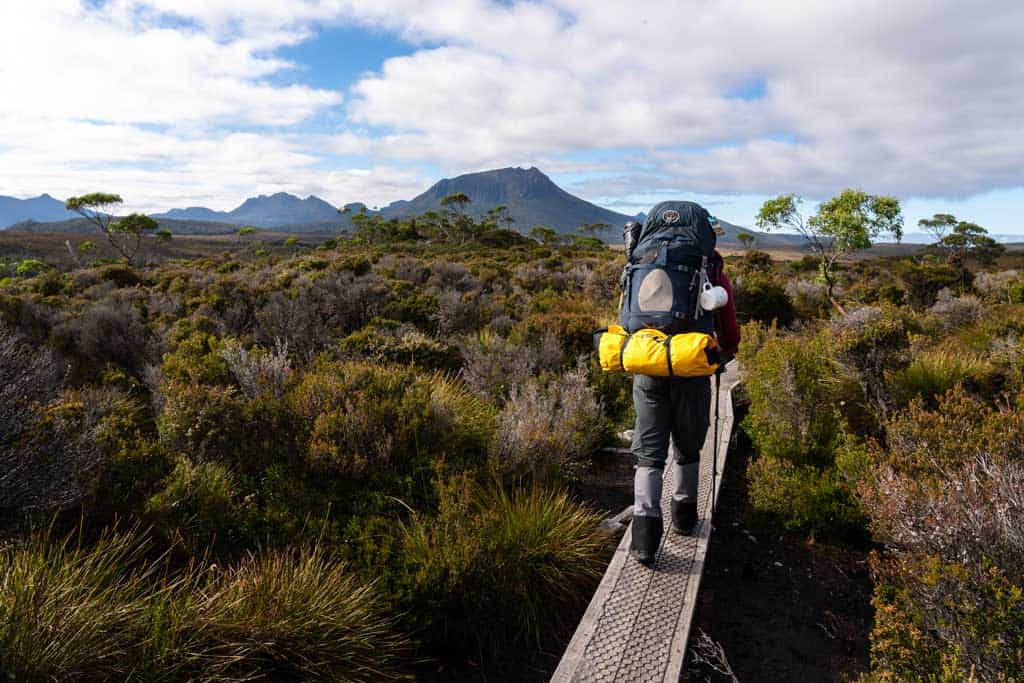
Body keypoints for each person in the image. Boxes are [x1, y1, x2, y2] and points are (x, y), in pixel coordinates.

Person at [627, 208, 740, 565]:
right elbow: (730, 330)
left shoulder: (640, 261)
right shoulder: (711, 269)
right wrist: (723, 353)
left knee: (649, 451)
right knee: (688, 445)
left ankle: (644, 540)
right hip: (691, 367)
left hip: (647, 364)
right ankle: (684, 516)